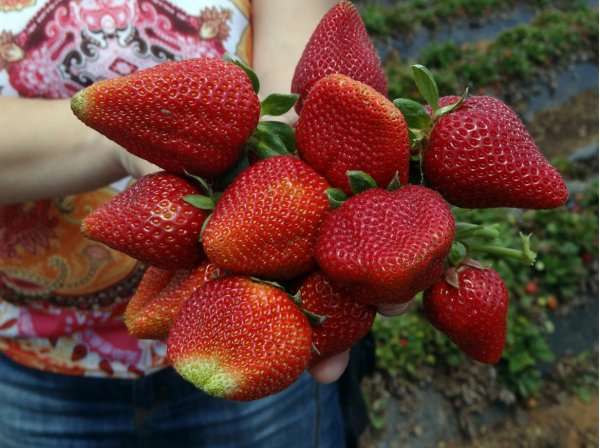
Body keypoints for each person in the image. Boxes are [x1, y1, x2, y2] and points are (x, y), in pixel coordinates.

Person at [0, 1, 410, 446]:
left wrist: (287, 141)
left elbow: (301, 76)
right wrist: (126, 141)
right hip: (34, 357)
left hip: (251, 341)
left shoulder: (250, 239)